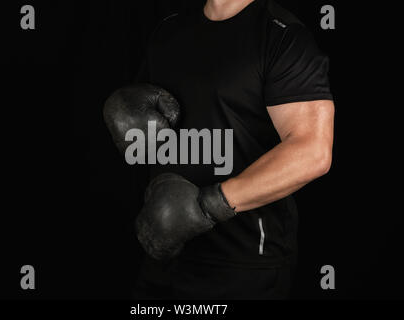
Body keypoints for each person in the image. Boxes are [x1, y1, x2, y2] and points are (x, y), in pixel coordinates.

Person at [105, 0, 334, 299]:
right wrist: (122, 117)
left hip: (244, 265)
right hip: (163, 251)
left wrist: (208, 205)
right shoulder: (169, 30)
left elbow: (312, 152)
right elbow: (152, 139)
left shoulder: (281, 35)